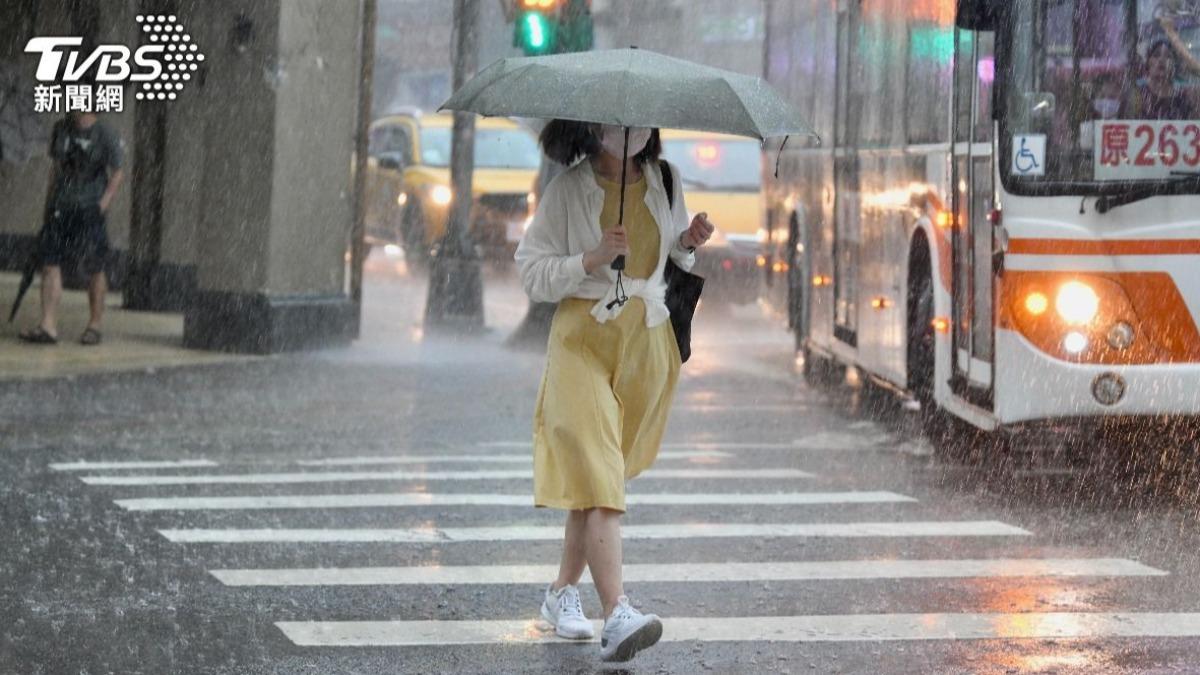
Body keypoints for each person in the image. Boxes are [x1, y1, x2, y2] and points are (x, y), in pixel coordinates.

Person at [514, 119, 714, 662]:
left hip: (644, 346)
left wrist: (688, 243)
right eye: (616, 124)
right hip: (582, 340)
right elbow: (531, 273)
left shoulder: (664, 179)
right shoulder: (567, 189)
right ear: (593, 128)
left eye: (641, 124)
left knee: (594, 478)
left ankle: (560, 594)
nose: (630, 132)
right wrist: (591, 258)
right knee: (601, 476)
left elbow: (671, 260)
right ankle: (617, 612)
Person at [19, 110, 124, 346]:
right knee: (49, 263)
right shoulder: (61, 129)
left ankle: (94, 325)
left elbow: (118, 171)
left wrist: (103, 203)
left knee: (95, 266)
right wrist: (48, 206)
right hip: (60, 207)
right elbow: (55, 169)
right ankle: (48, 325)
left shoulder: (105, 133)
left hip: (90, 209)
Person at [1121, 39, 1195, 120]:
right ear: (1148, 62)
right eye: (1156, 55)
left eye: (1168, 56)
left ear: (1174, 64)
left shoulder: (1184, 97)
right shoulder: (1137, 94)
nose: (1161, 60)